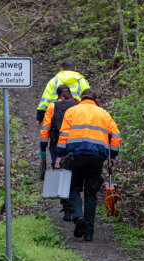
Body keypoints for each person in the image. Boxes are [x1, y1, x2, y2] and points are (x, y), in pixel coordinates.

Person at [55, 89, 121, 241]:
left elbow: (63, 134)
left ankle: (78, 217)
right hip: (97, 157)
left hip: (75, 156)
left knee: (73, 188)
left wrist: (59, 154)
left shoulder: (71, 111)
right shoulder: (103, 113)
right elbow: (116, 135)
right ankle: (89, 233)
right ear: (94, 99)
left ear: (82, 98)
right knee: (91, 194)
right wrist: (113, 155)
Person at [39, 84, 79, 221]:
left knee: (61, 175)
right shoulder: (76, 105)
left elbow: (45, 128)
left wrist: (43, 146)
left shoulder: (52, 106)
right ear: (69, 93)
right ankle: (76, 207)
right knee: (74, 175)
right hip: (74, 145)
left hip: (57, 145)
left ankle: (66, 209)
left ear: (58, 94)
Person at [36, 60, 90, 129]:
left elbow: (45, 100)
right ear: (75, 69)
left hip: (56, 114)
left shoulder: (54, 81)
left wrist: (39, 117)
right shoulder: (81, 81)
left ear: (61, 69)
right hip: (76, 115)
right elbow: (88, 98)